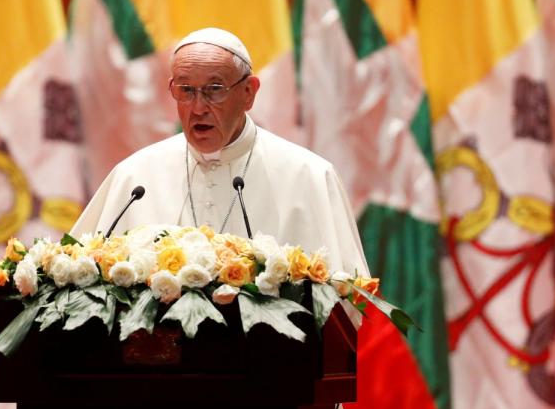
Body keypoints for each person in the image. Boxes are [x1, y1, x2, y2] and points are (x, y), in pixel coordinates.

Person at [70, 27, 368, 277]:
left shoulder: (309, 176)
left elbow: (346, 303)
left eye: (214, 89)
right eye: (186, 90)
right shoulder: (135, 177)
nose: (198, 108)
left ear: (249, 92)